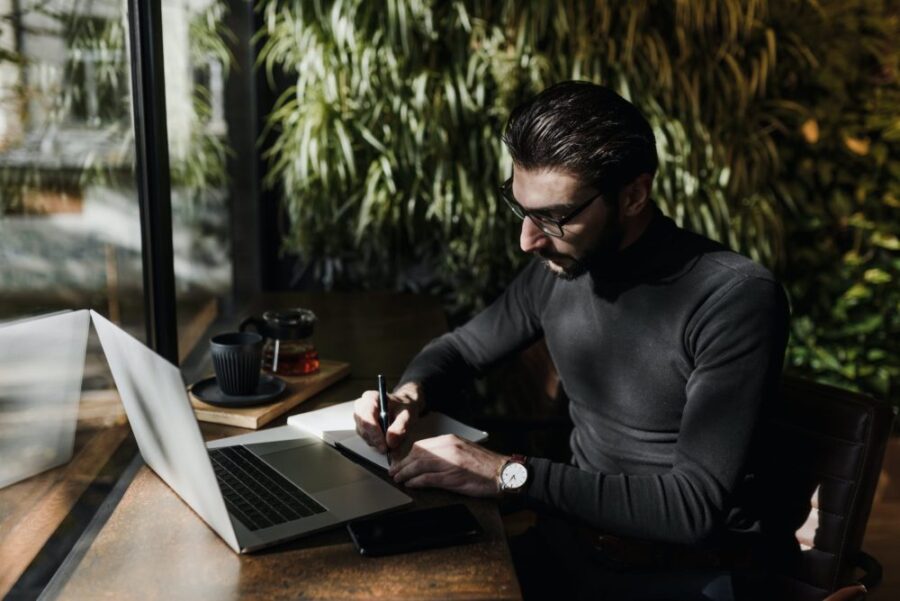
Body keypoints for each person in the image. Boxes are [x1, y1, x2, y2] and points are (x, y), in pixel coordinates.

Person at [353, 81, 791, 600]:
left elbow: (690, 507)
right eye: (522, 209)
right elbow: (460, 350)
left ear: (633, 196)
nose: (527, 240)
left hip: (683, 577)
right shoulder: (562, 266)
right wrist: (409, 394)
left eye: (554, 218)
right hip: (571, 551)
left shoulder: (733, 299)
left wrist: (506, 475)